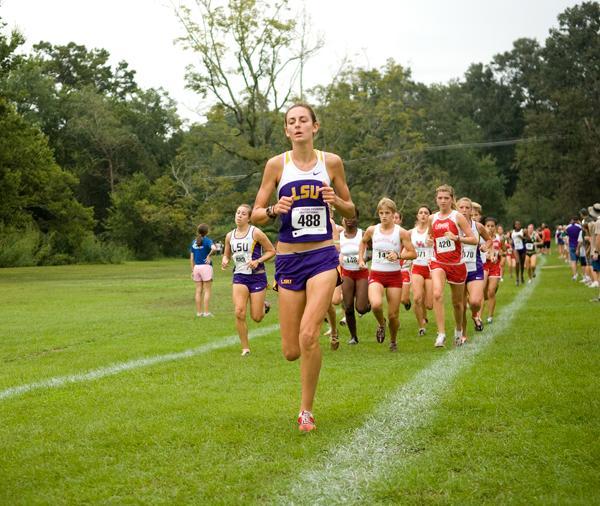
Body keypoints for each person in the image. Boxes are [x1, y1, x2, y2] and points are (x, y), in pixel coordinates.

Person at [251, 103, 355, 433]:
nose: (298, 126)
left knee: (310, 335)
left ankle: (306, 411)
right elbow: (254, 212)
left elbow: (351, 210)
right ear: (286, 130)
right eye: (291, 122)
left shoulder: (332, 163)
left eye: (303, 121)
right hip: (288, 259)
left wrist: (335, 201)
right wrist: (272, 210)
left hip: (323, 257)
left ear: (315, 126)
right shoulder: (276, 165)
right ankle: (304, 380)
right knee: (291, 351)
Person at [358, 198, 416, 352]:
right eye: (381, 213)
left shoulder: (401, 232)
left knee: (393, 316)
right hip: (376, 274)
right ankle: (381, 324)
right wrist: (360, 258)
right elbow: (363, 242)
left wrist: (398, 256)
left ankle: (393, 341)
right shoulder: (372, 230)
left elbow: (413, 253)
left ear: (393, 214)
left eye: (387, 213)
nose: (384, 216)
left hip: (394, 277)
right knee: (376, 304)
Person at [221, 204, 276, 356]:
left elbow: (271, 251)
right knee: (239, 312)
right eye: (237, 212)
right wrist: (225, 260)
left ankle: (263, 305)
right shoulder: (229, 236)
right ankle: (245, 348)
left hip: (257, 277)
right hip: (239, 277)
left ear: (249, 218)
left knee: (257, 317)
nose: (239, 215)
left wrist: (258, 260)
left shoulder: (256, 232)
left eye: (243, 214)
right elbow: (226, 254)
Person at [428, 185, 477, 347]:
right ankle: (441, 334)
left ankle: (458, 330)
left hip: (456, 264)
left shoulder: (457, 217)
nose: (442, 201)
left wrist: (457, 238)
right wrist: (429, 241)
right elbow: (431, 236)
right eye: (440, 198)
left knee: (458, 304)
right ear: (436, 199)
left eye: (446, 198)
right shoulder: (432, 218)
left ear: (451, 199)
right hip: (438, 262)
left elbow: (473, 239)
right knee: (437, 294)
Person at [456, 197, 491, 341]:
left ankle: (475, 314)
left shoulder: (477, 227)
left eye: (467, 208)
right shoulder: (452, 226)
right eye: (461, 208)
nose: (464, 210)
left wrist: (485, 246)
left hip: (474, 268)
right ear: (456, 210)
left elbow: (489, 239)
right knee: (462, 305)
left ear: (471, 211)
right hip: (457, 270)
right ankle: (463, 335)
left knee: (475, 301)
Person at [339, 210, 370, 345]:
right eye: (347, 217)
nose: (349, 220)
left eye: (352, 217)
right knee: (348, 307)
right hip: (347, 273)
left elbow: (374, 251)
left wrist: (363, 258)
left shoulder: (363, 234)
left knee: (361, 308)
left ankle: (371, 304)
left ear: (357, 218)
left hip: (361, 272)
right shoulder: (340, 236)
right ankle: (353, 337)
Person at [410, 205, 433, 336]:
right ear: (417, 216)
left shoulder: (433, 231)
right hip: (417, 267)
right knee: (417, 298)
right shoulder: (411, 232)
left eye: (426, 213)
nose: (423, 215)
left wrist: (434, 242)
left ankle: (425, 313)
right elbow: (404, 246)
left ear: (429, 216)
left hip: (430, 268)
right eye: (421, 213)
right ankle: (421, 326)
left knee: (429, 304)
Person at [190, 223, 217, 317]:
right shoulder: (208, 240)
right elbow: (214, 248)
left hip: (196, 267)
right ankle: (206, 312)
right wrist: (209, 255)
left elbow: (192, 258)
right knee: (207, 290)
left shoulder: (194, 242)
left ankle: (199, 312)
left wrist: (192, 270)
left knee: (198, 291)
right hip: (206, 267)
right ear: (207, 231)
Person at [482, 217, 504, 323]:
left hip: (495, 266)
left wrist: (499, 254)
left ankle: (490, 316)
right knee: (483, 292)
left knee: (491, 291)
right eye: (488, 226)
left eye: (492, 226)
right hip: (484, 265)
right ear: (484, 226)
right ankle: (478, 316)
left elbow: (502, 250)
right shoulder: (481, 238)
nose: (490, 228)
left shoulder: (499, 238)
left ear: (495, 227)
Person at [511, 221, 526, 286]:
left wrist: (522, 237)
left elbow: (528, 239)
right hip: (515, 249)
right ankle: (517, 279)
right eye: (516, 224)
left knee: (522, 264)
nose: (517, 225)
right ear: (514, 225)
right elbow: (510, 240)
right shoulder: (512, 232)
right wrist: (511, 245)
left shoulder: (523, 231)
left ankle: (522, 276)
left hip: (522, 249)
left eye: (519, 224)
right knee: (517, 262)